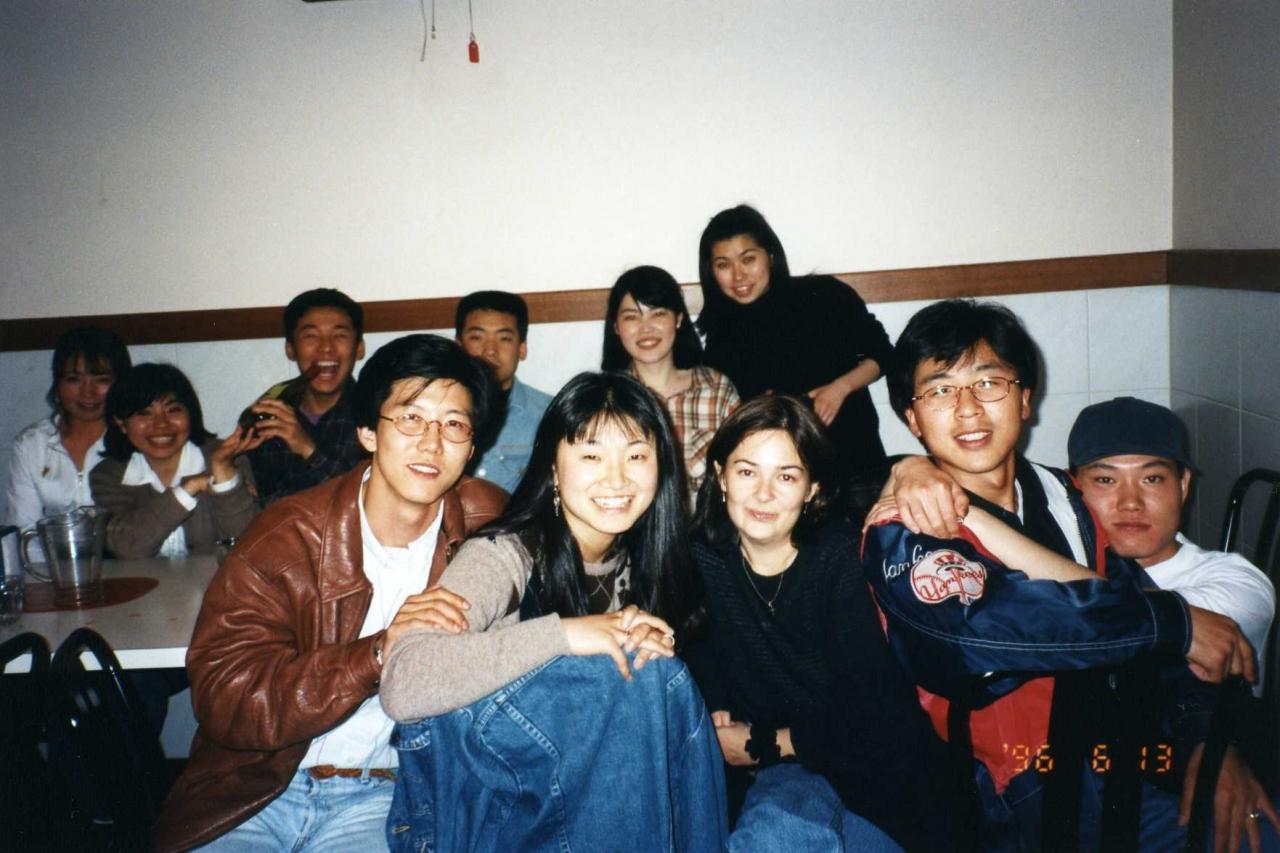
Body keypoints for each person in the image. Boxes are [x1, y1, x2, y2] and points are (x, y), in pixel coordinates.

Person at [862, 298, 1257, 851]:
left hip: (1120, 753)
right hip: (1007, 791)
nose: (968, 409)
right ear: (911, 418)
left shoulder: (1064, 496)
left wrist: (1207, 747)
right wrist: (1172, 623)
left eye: (989, 382)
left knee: (1255, 829)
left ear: (1025, 399)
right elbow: (983, 630)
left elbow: (1129, 605)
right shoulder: (904, 526)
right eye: (940, 391)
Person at [151, 334, 507, 852]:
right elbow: (225, 697)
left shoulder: (488, 525)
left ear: (472, 448)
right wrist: (376, 654)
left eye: (453, 424)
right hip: (256, 790)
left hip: (393, 797)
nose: (431, 444)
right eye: (410, 418)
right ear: (368, 432)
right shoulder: (286, 536)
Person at [378, 372, 726, 851]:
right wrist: (564, 634)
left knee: (654, 671)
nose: (617, 478)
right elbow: (402, 683)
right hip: (477, 810)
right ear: (553, 472)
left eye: (636, 456)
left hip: (587, 807)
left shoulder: (655, 565)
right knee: (651, 678)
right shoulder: (504, 555)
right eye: (591, 456)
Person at [686, 395, 959, 852]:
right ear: (720, 477)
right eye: (747, 472)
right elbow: (699, 646)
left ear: (812, 488)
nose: (763, 494)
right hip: (790, 777)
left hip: (880, 782)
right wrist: (714, 701)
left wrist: (760, 743)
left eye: (786, 476)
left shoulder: (840, 559)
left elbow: (882, 722)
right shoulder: (702, 559)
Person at [1070, 395, 1279, 850]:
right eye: (1105, 479)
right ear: (1075, 490)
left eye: (1152, 478)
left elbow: (1129, 627)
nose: (1130, 502)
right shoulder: (1065, 574)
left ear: (1183, 485)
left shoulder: (1237, 583)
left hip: (1174, 789)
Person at [696, 204, 893, 512]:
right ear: (711, 271)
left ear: (770, 256)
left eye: (748, 259)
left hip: (856, 470)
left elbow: (883, 355)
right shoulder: (720, 335)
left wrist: (839, 389)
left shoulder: (823, 295)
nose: (738, 275)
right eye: (723, 265)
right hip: (782, 484)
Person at [90, 363, 257, 559]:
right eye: (144, 413)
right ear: (121, 423)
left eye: (173, 410)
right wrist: (189, 488)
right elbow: (126, 547)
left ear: (190, 414)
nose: (161, 424)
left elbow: (247, 543)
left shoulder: (226, 456)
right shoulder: (107, 475)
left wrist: (223, 475)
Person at [602, 265, 739, 500]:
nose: (646, 328)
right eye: (631, 317)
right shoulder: (607, 396)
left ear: (678, 319)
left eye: (657, 314)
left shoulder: (717, 389)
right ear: (616, 326)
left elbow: (740, 472)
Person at [4, 327, 131, 549]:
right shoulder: (31, 444)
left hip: (129, 565)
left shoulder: (136, 438)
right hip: (53, 567)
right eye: (74, 379)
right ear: (58, 383)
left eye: (102, 380)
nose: (88, 392)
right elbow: (25, 535)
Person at [245, 287, 369, 505]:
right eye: (311, 336)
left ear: (359, 349)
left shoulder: (373, 411)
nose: (326, 348)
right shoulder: (270, 407)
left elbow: (365, 498)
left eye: (339, 335)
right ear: (290, 350)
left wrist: (306, 447)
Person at [455, 290, 553, 493]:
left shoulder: (549, 415)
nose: (490, 350)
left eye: (504, 338)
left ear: (522, 348)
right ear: (458, 346)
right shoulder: (434, 412)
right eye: (477, 337)